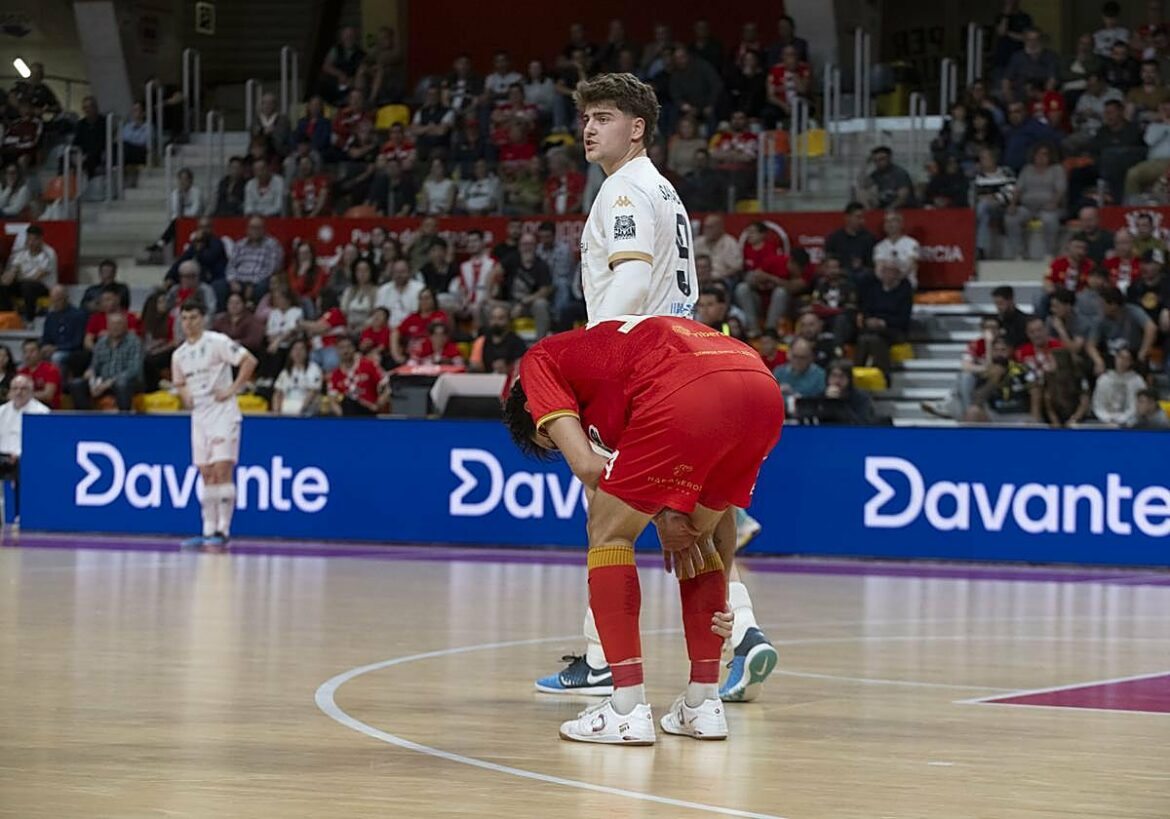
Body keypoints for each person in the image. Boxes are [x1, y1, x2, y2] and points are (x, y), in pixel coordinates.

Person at [535, 72, 773, 706]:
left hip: (647, 370)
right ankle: (722, 642)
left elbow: (633, 281)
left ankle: (620, 668)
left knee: (610, 521)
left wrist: (598, 359)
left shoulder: (621, 192)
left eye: (604, 117)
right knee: (691, 520)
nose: (589, 128)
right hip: (696, 357)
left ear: (636, 128)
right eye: (585, 117)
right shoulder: (663, 189)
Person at [504, 315, 783, 744]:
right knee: (698, 537)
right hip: (760, 388)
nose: (557, 441)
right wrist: (719, 595)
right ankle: (703, 704)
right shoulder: (613, 379)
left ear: (532, 410)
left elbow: (590, 468)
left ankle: (627, 708)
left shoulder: (539, 362)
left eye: (548, 438)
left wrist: (657, 513)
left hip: (688, 388)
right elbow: (716, 515)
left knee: (607, 529)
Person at [171, 299, 258, 550]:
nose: (189, 323)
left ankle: (224, 528)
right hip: (199, 416)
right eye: (185, 319)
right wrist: (185, 395)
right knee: (206, 472)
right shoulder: (179, 355)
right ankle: (207, 528)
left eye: (194, 318)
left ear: (203, 319)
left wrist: (232, 389)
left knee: (222, 469)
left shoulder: (217, 342)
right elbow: (179, 383)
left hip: (223, 412)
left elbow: (249, 361)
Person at [68, 313, 143, 412]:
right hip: (103, 382)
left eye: (118, 324)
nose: (115, 327)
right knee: (77, 384)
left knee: (121, 383)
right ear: (107, 326)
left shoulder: (134, 342)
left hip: (128, 382)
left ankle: (125, 419)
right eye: (112, 324)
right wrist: (91, 372)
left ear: (126, 326)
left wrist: (111, 382)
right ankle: (86, 418)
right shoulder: (101, 343)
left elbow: (134, 370)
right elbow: (95, 365)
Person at [0, 375, 50, 521]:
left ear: (31, 391)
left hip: (26, 460)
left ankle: (18, 513)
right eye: (15, 388)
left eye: (23, 388)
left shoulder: (42, 412)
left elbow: (42, 446)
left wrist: (19, 456)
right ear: (9, 391)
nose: (19, 392)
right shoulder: (1, 411)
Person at [2, 225, 57, 321]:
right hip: (24, 283)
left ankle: (30, 319)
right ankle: (8, 316)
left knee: (28, 286)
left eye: (34, 239)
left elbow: (37, 277)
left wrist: (18, 278)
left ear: (40, 239)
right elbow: (14, 269)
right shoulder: (22, 253)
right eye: (29, 239)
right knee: (4, 286)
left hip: (43, 286)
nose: (31, 242)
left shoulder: (48, 253)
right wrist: (7, 277)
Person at [328, 335, 382, 416]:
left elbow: (386, 387)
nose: (345, 351)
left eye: (348, 347)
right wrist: (343, 416)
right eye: (341, 348)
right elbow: (332, 400)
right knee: (347, 401)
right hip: (348, 416)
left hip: (369, 413)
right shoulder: (335, 375)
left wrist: (378, 405)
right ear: (337, 351)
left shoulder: (368, 365)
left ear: (354, 348)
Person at [1093, 347, 1146, 424]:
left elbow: (1137, 406)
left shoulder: (1137, 381)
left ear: (1131, 362)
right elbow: (1098, 404)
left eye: (1126, 359)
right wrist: (1107, 418)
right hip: (1105, 421)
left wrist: (1122, 419)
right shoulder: (1104, 379)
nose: (1122, 361)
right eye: (1120, 357)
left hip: (1130, 423)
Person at [470, 304, 527, 373]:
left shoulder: (518, 342)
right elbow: (474, 364)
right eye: (493, 318)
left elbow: (521, 367)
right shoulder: (481, 341)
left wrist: (508, 368)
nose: (496, 322)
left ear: (509, 321)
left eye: (501, 318)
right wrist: (477, 367)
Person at [272, 337, 322, 416]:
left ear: (306, 352)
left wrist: (300, 410)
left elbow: (313, 392)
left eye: (301, 349)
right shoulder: (285, 372)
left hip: (305, 409)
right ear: (290, 353)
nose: (298, 352)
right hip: (287, 406)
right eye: (295, 349)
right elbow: (278, 393)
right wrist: (276, 412)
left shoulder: (313, 369)